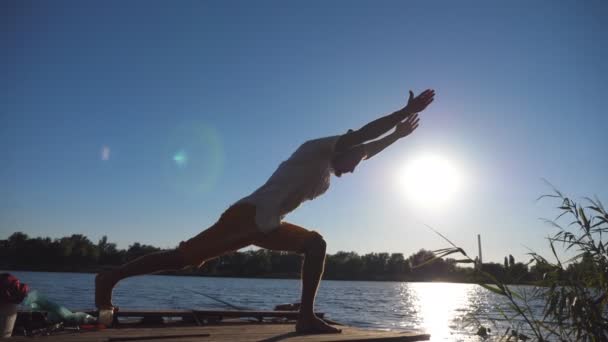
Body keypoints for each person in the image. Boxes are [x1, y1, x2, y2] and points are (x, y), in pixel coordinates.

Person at [95, 89, 435, 334]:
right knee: (182, 258)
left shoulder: (333, 165)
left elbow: (368, 148)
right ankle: (110, 277)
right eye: (355, 162)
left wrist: (399, 137)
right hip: (246, 216)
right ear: (344, 149)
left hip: (267, 224)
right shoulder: (315, 150)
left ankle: (305, 317)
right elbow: (364, 136)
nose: (356, 169)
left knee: (316, 244)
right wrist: (401, 114)